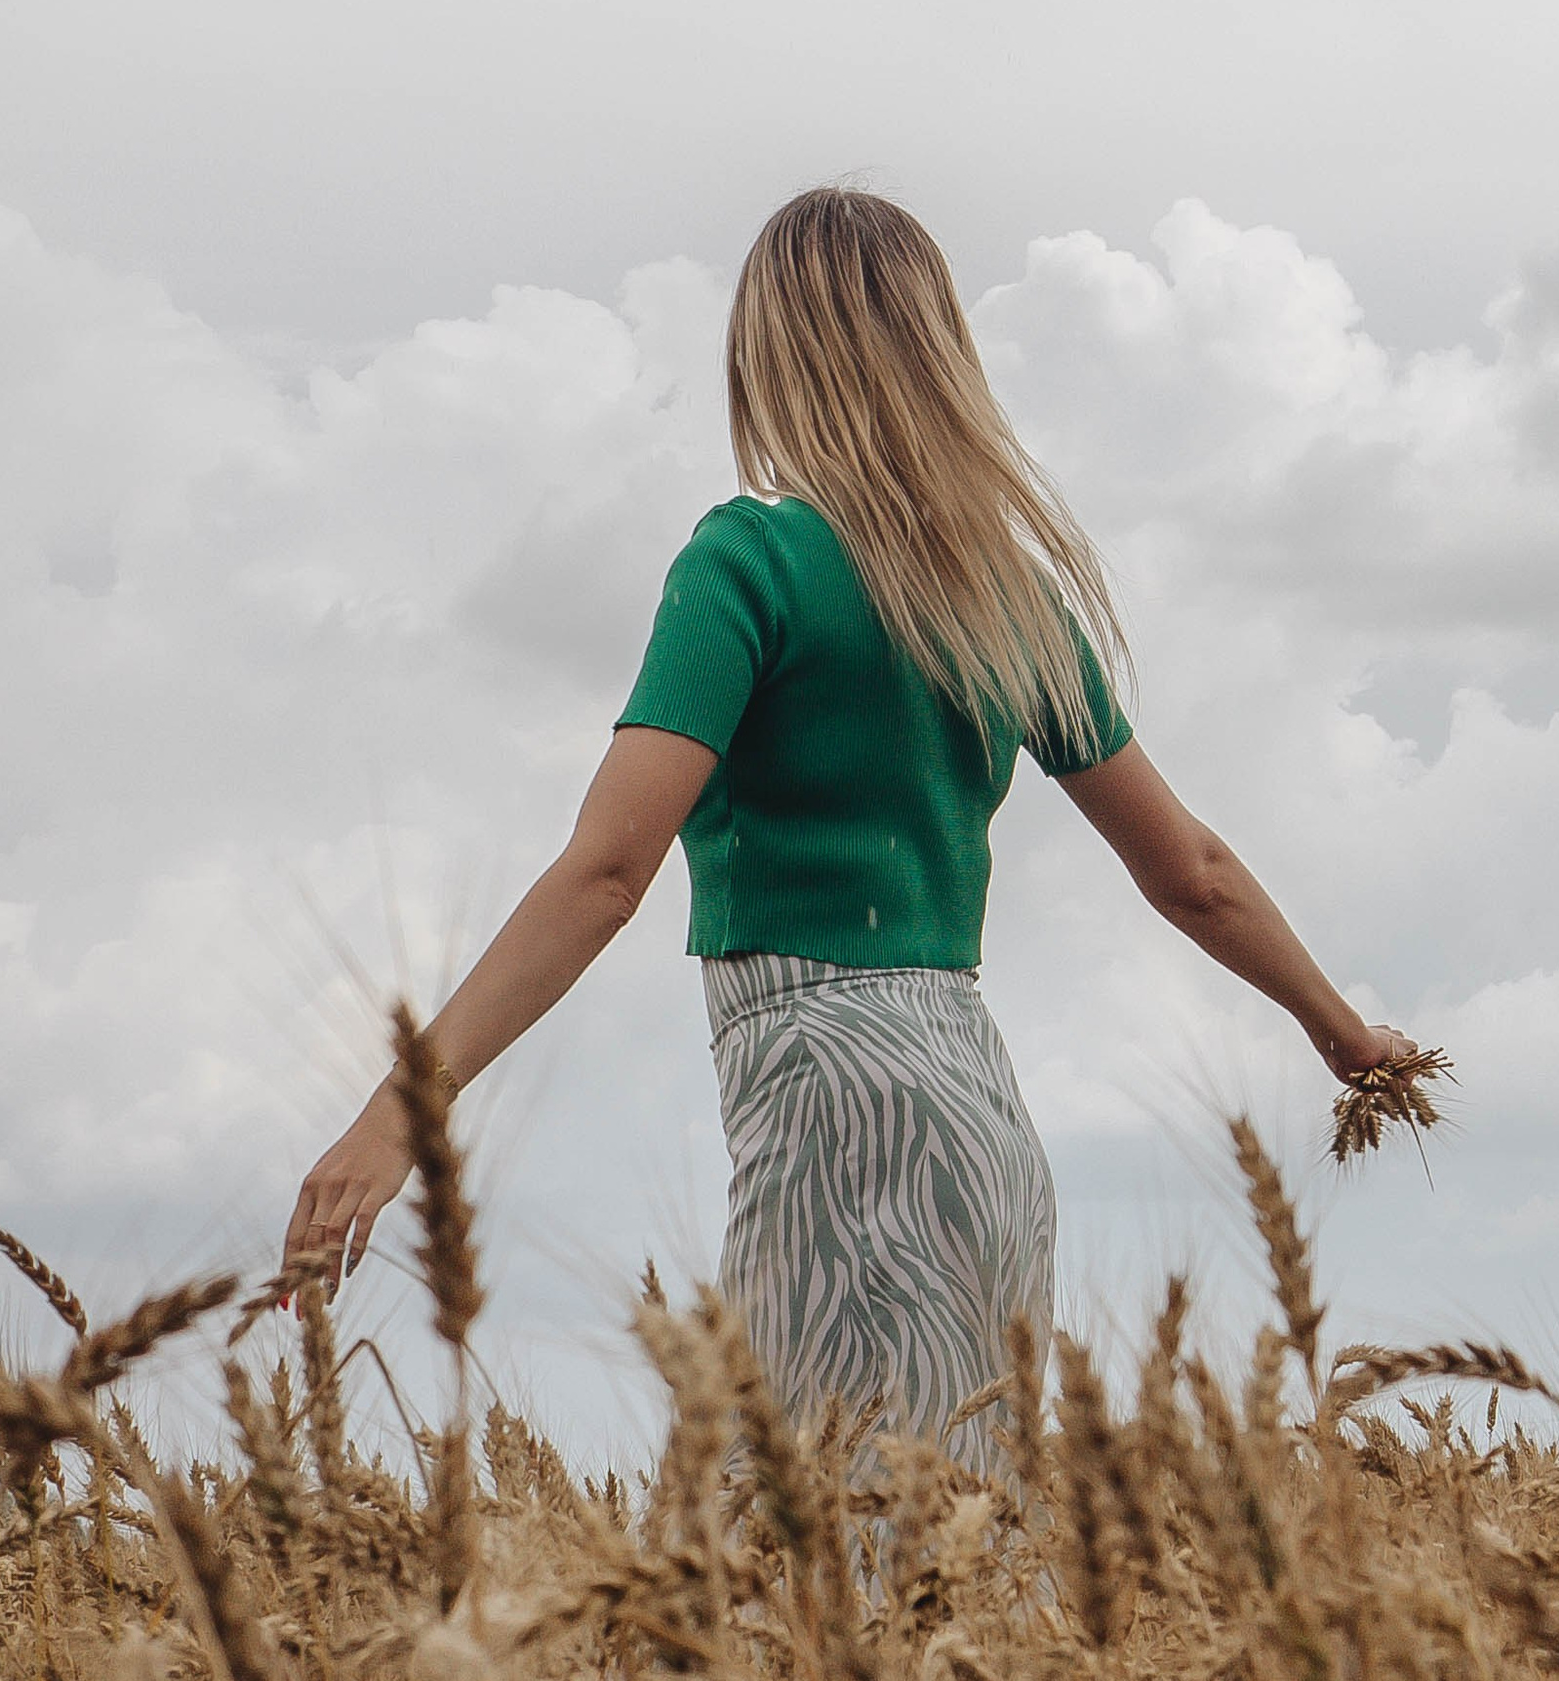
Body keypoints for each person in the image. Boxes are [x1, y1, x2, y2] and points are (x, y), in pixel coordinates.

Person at [282, 187, 1413, 1451]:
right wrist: (1345, 1033)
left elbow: (607, 873)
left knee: (811, 1560)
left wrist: (401, 1113)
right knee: (960, 1561)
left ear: (766, 356)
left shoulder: (747, 563)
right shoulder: (1007, 595)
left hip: (830, 1104)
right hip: (980, 1108)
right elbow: (1191, 870)